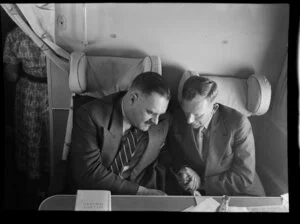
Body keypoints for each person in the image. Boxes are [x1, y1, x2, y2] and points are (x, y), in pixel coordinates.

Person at [67, 71, 171, 195]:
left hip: (141, 197)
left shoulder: (163, 120)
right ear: (132, 98)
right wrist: (140, 192)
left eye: (160, 114)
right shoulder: (91, 116)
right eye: (150, 112)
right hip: (96, 194)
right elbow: (89, 172)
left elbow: (165, 151)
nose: (155, 121)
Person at [166, 75, 265, 196]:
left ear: (214, 108)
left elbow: (243, 177)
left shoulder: (238, 123)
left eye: (198, 115)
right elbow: (174, 156)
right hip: (196, 192)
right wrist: (183, 171)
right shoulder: (176, 118)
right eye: (187, 113)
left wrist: (202, 183)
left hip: (240, 192)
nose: (189, 121)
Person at [3, 26, 50, 207]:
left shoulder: (14, 35)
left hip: (28, 89)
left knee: (31, 135)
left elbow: (12, 75)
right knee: (55, 133)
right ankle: (52, 177)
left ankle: (33, 180)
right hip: (56, 90)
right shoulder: (57, 32)